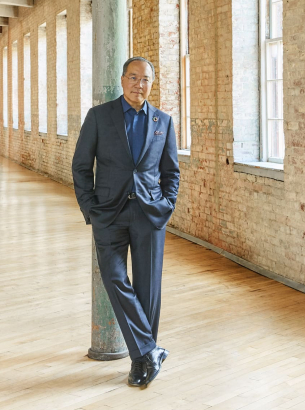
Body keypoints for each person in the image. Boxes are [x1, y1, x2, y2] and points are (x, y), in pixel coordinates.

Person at [72, 57, 180, 386]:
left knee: (148, 289)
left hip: (150, 215)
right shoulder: (99, 117)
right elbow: (80, 165)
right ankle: (150, 349)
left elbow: (171, 172)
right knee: (114, 277)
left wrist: (166, 205)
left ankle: (139, 360)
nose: (139, 84)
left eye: (145, 79)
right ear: (122, 80)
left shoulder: (163, 120)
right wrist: (91, 208)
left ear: (151, 84)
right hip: (109, 212)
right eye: (133, 77)